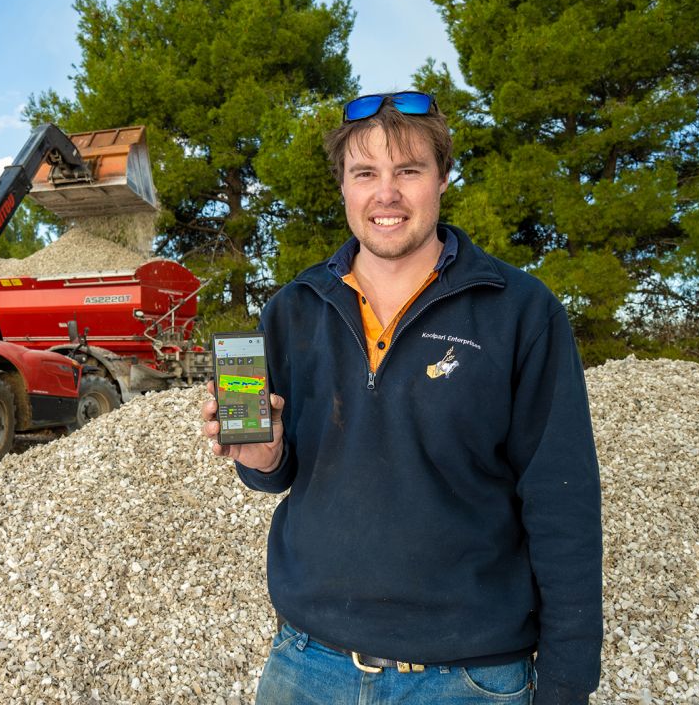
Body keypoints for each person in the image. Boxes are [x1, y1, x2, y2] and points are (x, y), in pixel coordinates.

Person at [202, 91, 602, 705]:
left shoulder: (520, 311)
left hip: (468, 679)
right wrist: (262, 458)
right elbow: (279, 473)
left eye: (407, 170)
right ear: (343, 186)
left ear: (442, 178)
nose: (385, 194)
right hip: (307, 666)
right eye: (366, 173)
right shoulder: (292, 310)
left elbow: (563, 502)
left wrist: (569, 681)